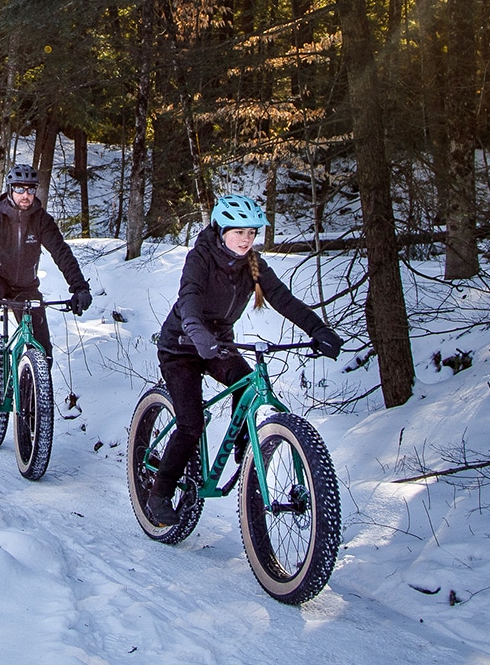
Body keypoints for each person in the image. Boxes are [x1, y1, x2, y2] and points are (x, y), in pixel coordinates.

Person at [143, 193, 342, 528]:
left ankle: (241, 448)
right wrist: (197, 333)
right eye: (239, 232)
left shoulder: (254, 264)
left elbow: (284, 299)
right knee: (191, 424)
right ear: (221, 231)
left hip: (218, 345)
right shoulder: (200, 257)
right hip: (180, 346)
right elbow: (189, 297)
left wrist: (318, 329)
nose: (246, 239)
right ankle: (159, 493)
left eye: (251, 233)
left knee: (246, 384)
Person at [0, 163, 92, 409]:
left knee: (42, 345)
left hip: (26, 286)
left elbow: (61, 252)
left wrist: (79, 287)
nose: (25, 195)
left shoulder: (41, 220)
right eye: (20, 189)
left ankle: (34, 393)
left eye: (30, 190)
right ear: (10, 189)